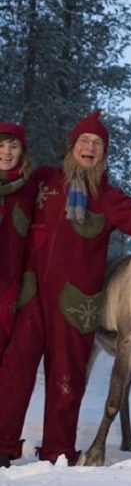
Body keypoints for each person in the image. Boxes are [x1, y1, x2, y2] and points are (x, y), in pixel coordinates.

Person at [0, 111, 131, 468]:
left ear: (104, 153)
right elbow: (12, 188)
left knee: (67, 378)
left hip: (76, 303)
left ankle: (58, 449)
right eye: (84, 141)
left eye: (97, 144)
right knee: (14, 372)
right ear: (72, 146)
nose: (90, 148)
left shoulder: (108, 197)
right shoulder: (44, 180)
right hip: (32, 295)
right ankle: (3, 444)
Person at [0, 123, 37, 361]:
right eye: (1, 145)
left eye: (13, 146)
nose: (6, 152)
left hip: (9, 286)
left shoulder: (30, 189)